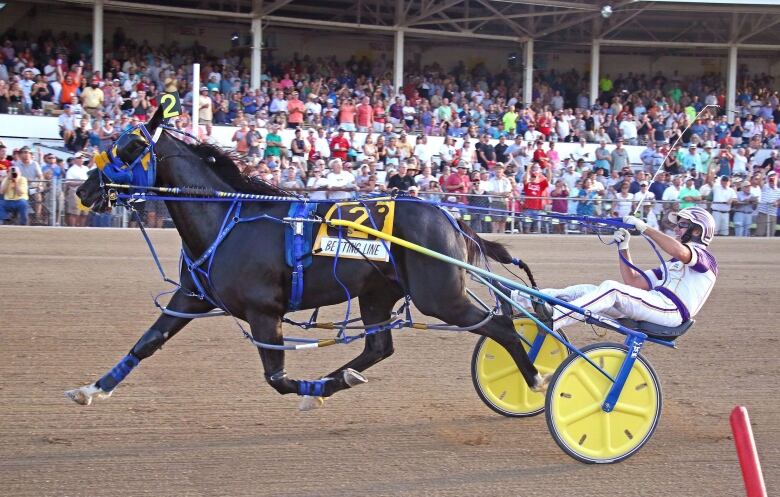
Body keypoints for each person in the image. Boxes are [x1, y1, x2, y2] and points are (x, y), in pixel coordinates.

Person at [510, 207, 718, 331]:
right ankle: (516, 299)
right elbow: (635, 282)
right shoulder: (674, 264)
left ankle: (555, 318)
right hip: (656, 305)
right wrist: (624, 247)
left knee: (611, 289)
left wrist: (645, 228)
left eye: (681, 225)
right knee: (585, 291)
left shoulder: (705, 258)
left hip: (671, 311)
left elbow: (682, 252)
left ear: (697, 231)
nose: (676, 228)